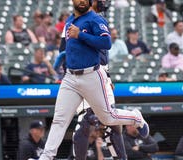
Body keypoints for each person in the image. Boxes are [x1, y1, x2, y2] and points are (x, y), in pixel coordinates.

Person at [39, 0, 149, 159]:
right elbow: (66, 50)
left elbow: (106, 42)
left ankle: (136, 117)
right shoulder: (69, 20)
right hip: (70, 77)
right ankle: (46, 157)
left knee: (108, 118)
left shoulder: (95, 19)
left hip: (92, 75)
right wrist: (61, 68)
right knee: (60, 120)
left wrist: (81, 34)